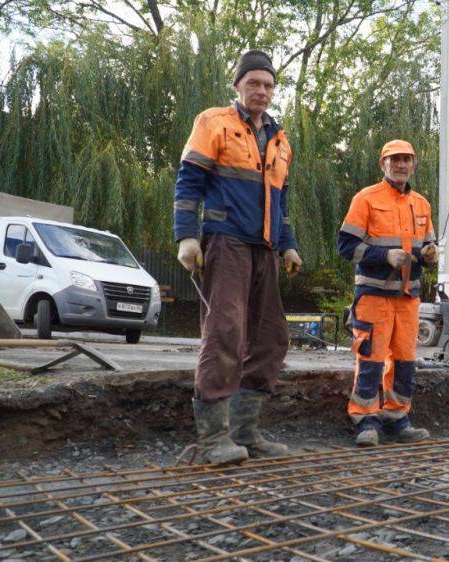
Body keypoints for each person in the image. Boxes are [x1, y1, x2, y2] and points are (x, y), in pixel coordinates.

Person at [173, 50, 303, 464]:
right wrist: (186, 238)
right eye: (254, 83)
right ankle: (213, 439)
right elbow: (189, 182)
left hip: (264, 249)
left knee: (271, 338)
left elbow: (279, 202)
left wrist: (289, 244)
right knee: (225, 332)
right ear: (238, 86)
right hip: (226, 242)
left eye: (268, 85)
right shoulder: (214, 122)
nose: (261, 91)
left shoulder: (280, 141)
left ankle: (246, 432)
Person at [337, 139, 438, 447]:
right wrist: (384, 257)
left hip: (408, 298)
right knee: (371, 359)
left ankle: (396, 419)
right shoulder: (366, 199)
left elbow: (426, 249)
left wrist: (431, 256)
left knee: (405, 360)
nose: (401, 164)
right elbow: (346, 247)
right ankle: (365, 420)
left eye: (407, 159)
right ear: (383, 164)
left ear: (413, 164)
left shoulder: (421, 204)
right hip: (374, 296)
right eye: (395, 159)